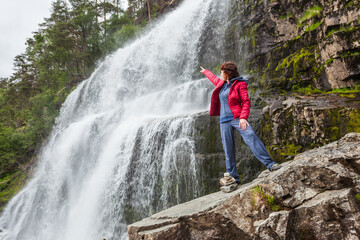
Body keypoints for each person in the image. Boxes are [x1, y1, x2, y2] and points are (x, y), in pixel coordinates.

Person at [200, 62, 281, 184]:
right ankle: (233, 178)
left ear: (228, 73)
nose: (220, 74)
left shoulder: (240, 84)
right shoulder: (221, 84)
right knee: (228, 149)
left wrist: (243, 117)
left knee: (251, 136)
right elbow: (213, 78)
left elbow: (246, 101)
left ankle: (270, 164)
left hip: (237, 118)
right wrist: (206, 71)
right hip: (224, 121)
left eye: (222, 72)